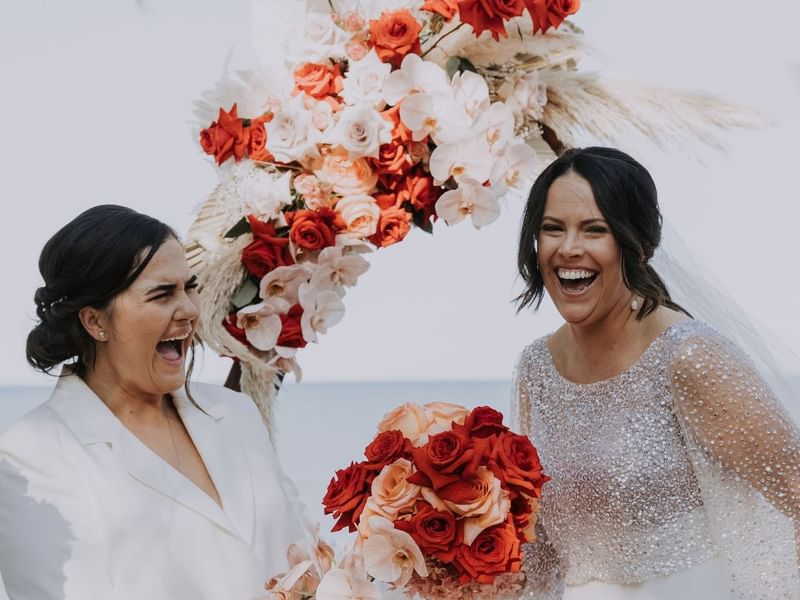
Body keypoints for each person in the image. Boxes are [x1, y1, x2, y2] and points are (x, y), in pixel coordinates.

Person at [512, 147, 800, 599]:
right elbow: (541, 550)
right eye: (552, 228)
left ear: (638, 243)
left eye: (595, 229)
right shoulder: (536, 369)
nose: (568, 248)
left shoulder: (689, 358)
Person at [0, 205, 302, 600]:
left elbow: (304, 557)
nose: (190, 310)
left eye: (189, 287)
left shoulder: (235, 413)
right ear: (95, 321)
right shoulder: (30, 456)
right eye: (162, 294)